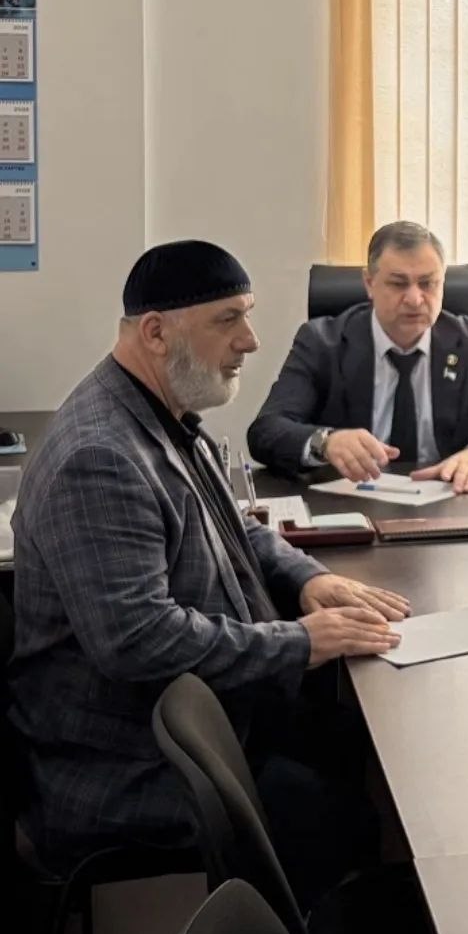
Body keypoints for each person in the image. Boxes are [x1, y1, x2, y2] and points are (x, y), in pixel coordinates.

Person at [6, 240, 408, 900]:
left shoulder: (160, 413)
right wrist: (300, 641)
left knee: (366, 744)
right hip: (126, 761)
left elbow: (235, 525)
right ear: (156, 332)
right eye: (228, 319)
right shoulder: (99, 457)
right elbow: (139, 639)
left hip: (195, 721)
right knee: (337, 812)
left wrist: (309, 578)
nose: (250, 340)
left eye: (246, 315)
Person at [246, 220, 468, 494]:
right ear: (369, 283)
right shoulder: (322, 343)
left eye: (428, 283)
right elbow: (266, 430)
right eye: (398, 284)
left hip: (450, 499)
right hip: (350, 501)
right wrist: (326, 442)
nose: (415, 299)